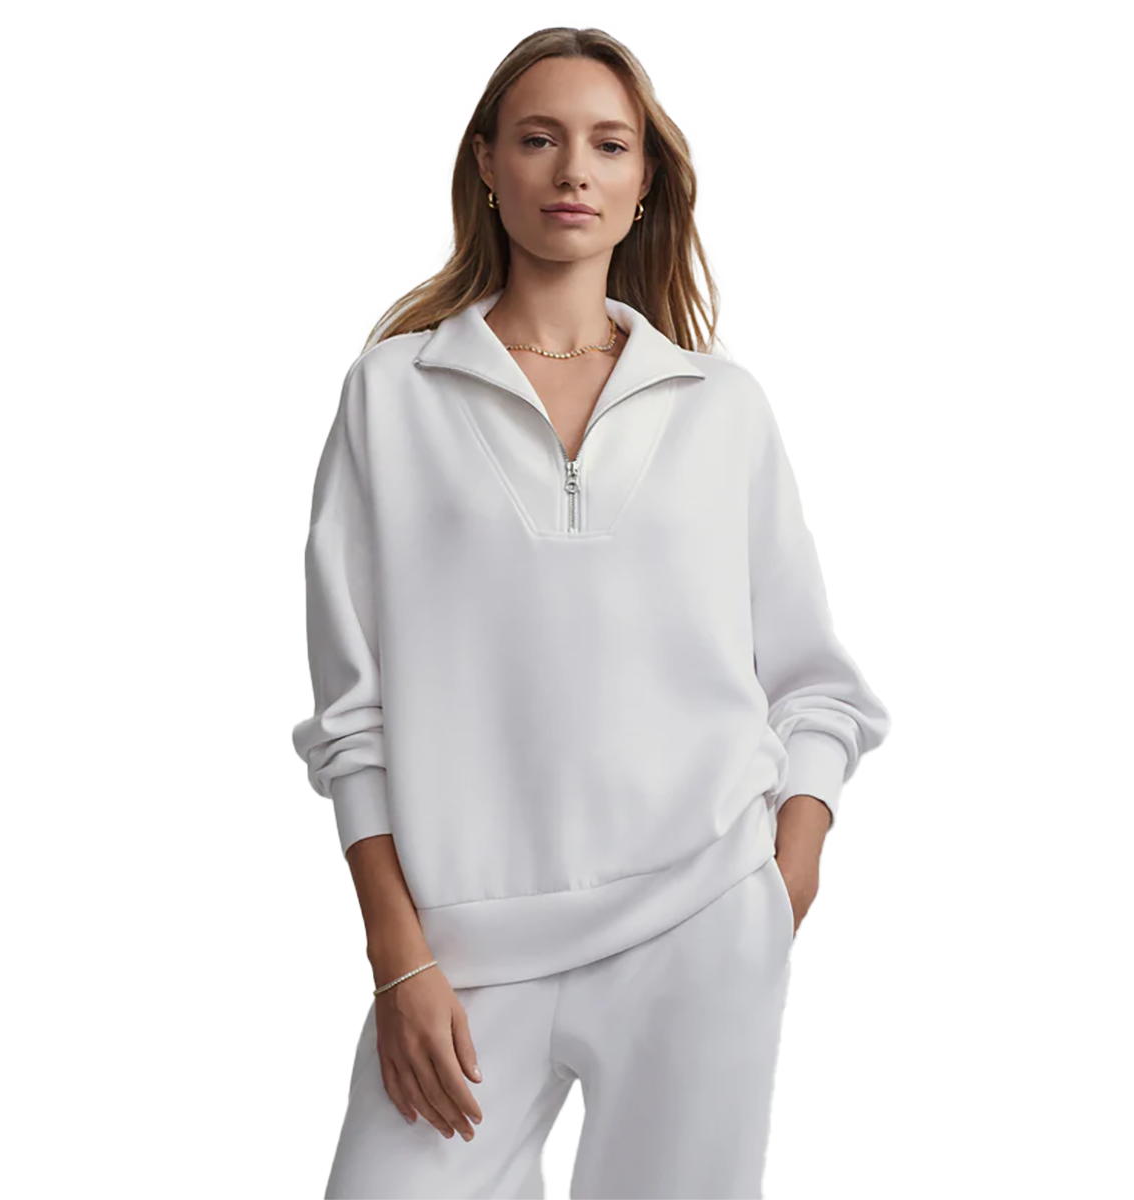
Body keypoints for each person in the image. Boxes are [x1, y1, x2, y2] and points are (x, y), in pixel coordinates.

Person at [292, 25, 890, 1200]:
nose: (574, 169)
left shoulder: (721, 406)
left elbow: (815, 682)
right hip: (463, 953)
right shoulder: (393, 393)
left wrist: (784, 881)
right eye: (539, 139)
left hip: (700, 925)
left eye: (609, 144)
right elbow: (352, 714)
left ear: (645, 178)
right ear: (486, 163)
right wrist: (396, 955)